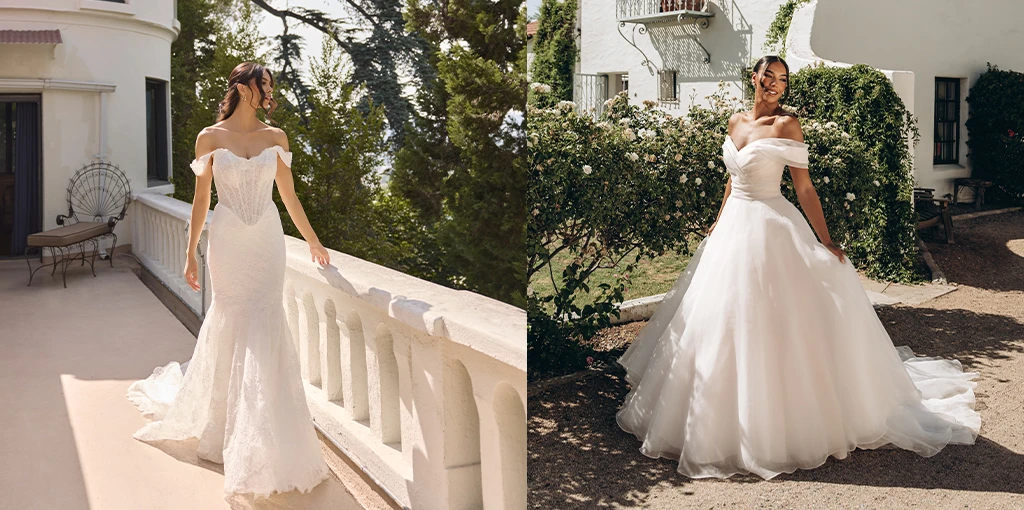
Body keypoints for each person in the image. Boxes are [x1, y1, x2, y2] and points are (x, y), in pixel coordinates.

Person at [616, 55, 980, 480]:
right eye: (768, 76)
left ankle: (780, 422)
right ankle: (711, 417)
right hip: (734, 227)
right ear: (754, 77)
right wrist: (717, 221)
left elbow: (804, 187)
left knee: (777, 318)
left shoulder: (787, 126)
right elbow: (732, 179)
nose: (774, 84)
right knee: (719, 317)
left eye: (782, 80)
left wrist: (825, 240)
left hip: (771, 225)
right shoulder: (734, 122)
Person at [126, 62, 331, 501]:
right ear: (240, 88)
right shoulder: (209, 138)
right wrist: (190, 251)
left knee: (266, 321)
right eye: (262, 84)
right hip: (229, 240)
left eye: (270, 85)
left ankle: (266, 433)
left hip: (267, 240)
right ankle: (224, 427)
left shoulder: (276, 138)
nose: (268, 91)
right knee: (232, 318)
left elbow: (289, 196)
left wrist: (313, 240)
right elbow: (201, 198)